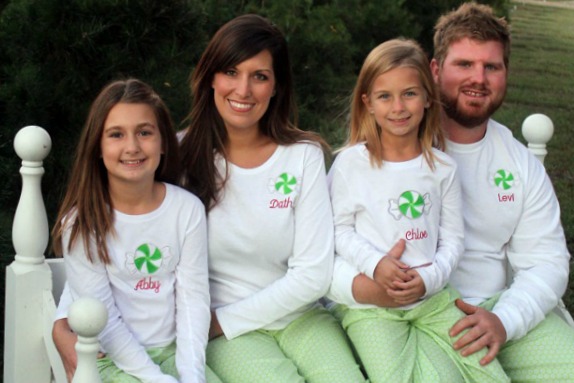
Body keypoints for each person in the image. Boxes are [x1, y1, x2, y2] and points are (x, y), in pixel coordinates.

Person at [331, 2, 574, 382]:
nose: (478, 78)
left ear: (505, 73)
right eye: (464, 64)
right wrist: (370, 290)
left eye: (491, 66)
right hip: (399, 310)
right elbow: (322, 245)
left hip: (495, 309)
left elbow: (547, 261)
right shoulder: (379, 153)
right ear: (435, 70)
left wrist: (504, 321)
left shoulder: (518, 163)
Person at [178, 14, 366, 383]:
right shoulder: (179, 153)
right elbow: (122, 228)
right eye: (231, 72)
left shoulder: (303, 155)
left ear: (277, 86)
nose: (243, 90)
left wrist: (222, 321)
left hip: (299, 319)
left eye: (259, 76)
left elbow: (313, 274)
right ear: (210, 77)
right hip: (227, 334)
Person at [326, 38, 509, 383]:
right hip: (371, 311)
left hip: (435, 299)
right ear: (367, 103)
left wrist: (428, 279)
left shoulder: (442, 168)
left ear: (428, 98)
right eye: (385, 96)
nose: (398, 106)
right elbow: (335, 230)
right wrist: (375, 263)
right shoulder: (351, 164)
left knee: (486, 370)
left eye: (409, 93)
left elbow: (453, 240)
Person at [50, 79, 213, 383]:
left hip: (173, 352)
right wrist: (157, 379)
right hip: (111, 360)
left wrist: (191, 375)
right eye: (116, 135)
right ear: (97, 147)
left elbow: (194, 300)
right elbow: (105, 320)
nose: (132, 147)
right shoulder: (82, 223)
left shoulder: (187, 210)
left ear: (164, 141)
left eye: (144, 132)